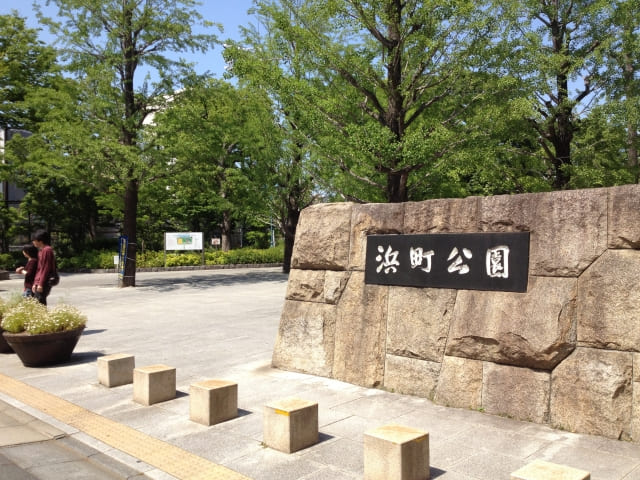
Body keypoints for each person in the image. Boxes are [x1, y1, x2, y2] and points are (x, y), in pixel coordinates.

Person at [31, 230, 57, 305]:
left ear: (40, 240)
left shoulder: (47, 250)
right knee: (37, 303)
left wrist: (40, 284)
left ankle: (43, 316)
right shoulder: (41, 251)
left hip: (45, 281)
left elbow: (46, 268)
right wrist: (35, 283)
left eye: (34, 240)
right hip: (40, 281)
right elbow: (39, 269)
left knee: (39, 303)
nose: (33, 242)